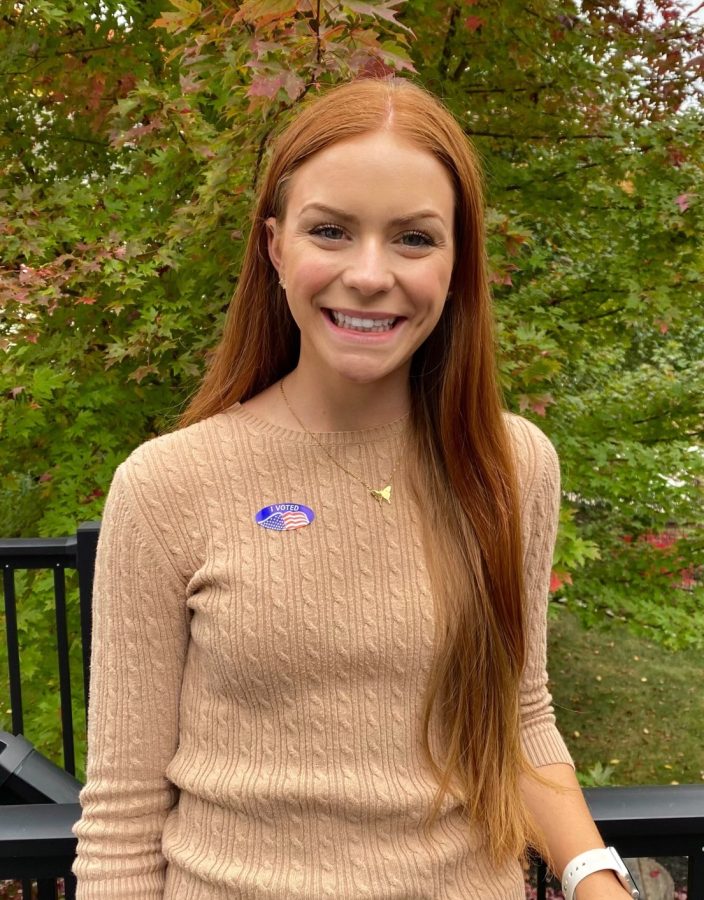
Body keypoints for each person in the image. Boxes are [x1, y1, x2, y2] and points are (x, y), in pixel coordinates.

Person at [72, 77, 637, 900]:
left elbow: (518, 721)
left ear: (457, 263)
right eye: (331, 231)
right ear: (274, 247)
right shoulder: (167, 485)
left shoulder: (513, 465)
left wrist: (596, 881)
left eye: (414, 239)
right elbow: (123, 815)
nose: (370, 275)